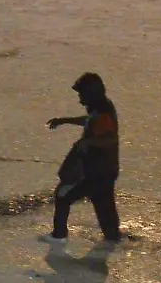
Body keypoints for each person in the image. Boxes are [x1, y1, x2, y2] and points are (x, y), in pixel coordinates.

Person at [42, 72, 122, 245]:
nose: (80, 99)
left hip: (96, 173)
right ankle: (114, 241)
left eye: (82, 95)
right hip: (106, 172)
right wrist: (65, 120)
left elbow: (110, 138)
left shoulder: (103, 113)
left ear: (91, 94)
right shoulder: (102, 109)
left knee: (63, 196)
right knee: (106, 214)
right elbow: (90, 121)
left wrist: (87, 142)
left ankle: (59, 236)